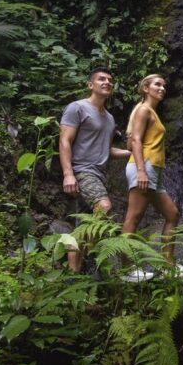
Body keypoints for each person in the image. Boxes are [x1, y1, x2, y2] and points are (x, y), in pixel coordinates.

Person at [59, 67, 131, 272]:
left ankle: (74, 274)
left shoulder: (109, 118)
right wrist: (68, 174)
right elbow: (64, 140)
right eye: (101, 79)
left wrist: (131, 153)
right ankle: (91, 257)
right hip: (82, 171)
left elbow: (106, 150)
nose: (107, 82)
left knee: (82, 226)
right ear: (90, 84)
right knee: (104, 206)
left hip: (100, 174)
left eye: (110, 80)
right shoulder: (77, 108)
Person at [122, 73, 183, 274]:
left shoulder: (150, 112)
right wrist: (141, 171)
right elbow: (136, 142)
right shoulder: (143, 110)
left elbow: (130, 141)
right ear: (145, 88)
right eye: (157, 84)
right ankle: (127, 269)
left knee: (172, 214)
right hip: (144, 168)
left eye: (164, 86)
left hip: (153, 170)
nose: (162, 88)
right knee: (134, 217)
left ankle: (168, 265)